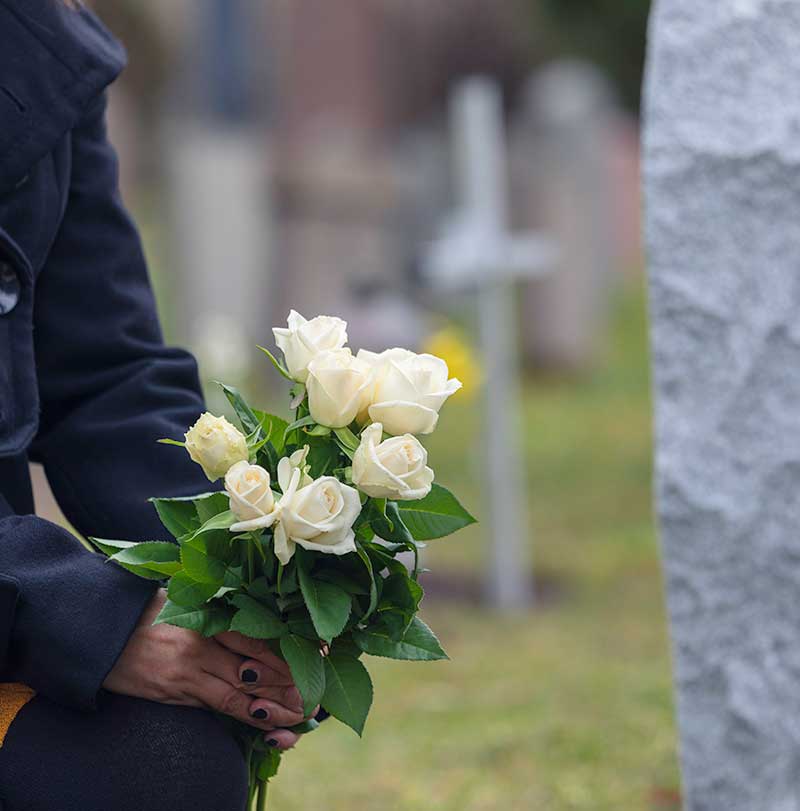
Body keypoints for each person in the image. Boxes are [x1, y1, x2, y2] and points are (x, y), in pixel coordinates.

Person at [0, 2, 310, 808]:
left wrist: (230, 582)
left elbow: (104, 368)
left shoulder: (34, 39)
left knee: (167, 761)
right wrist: (81, 621)